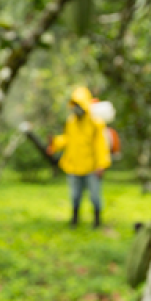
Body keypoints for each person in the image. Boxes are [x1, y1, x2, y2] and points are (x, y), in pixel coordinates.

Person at [47, 86, 112, 228]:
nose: (76, 108)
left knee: (95, 197)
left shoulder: (96, 123)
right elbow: (67, 139)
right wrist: (54, 144)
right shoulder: (71, 122)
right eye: (74, 105)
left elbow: (101, 145)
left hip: (92, 167)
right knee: (75, 196)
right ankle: (74, 220)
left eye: (79, 105)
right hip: (74, 166)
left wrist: (102, 165)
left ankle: (97, 221)